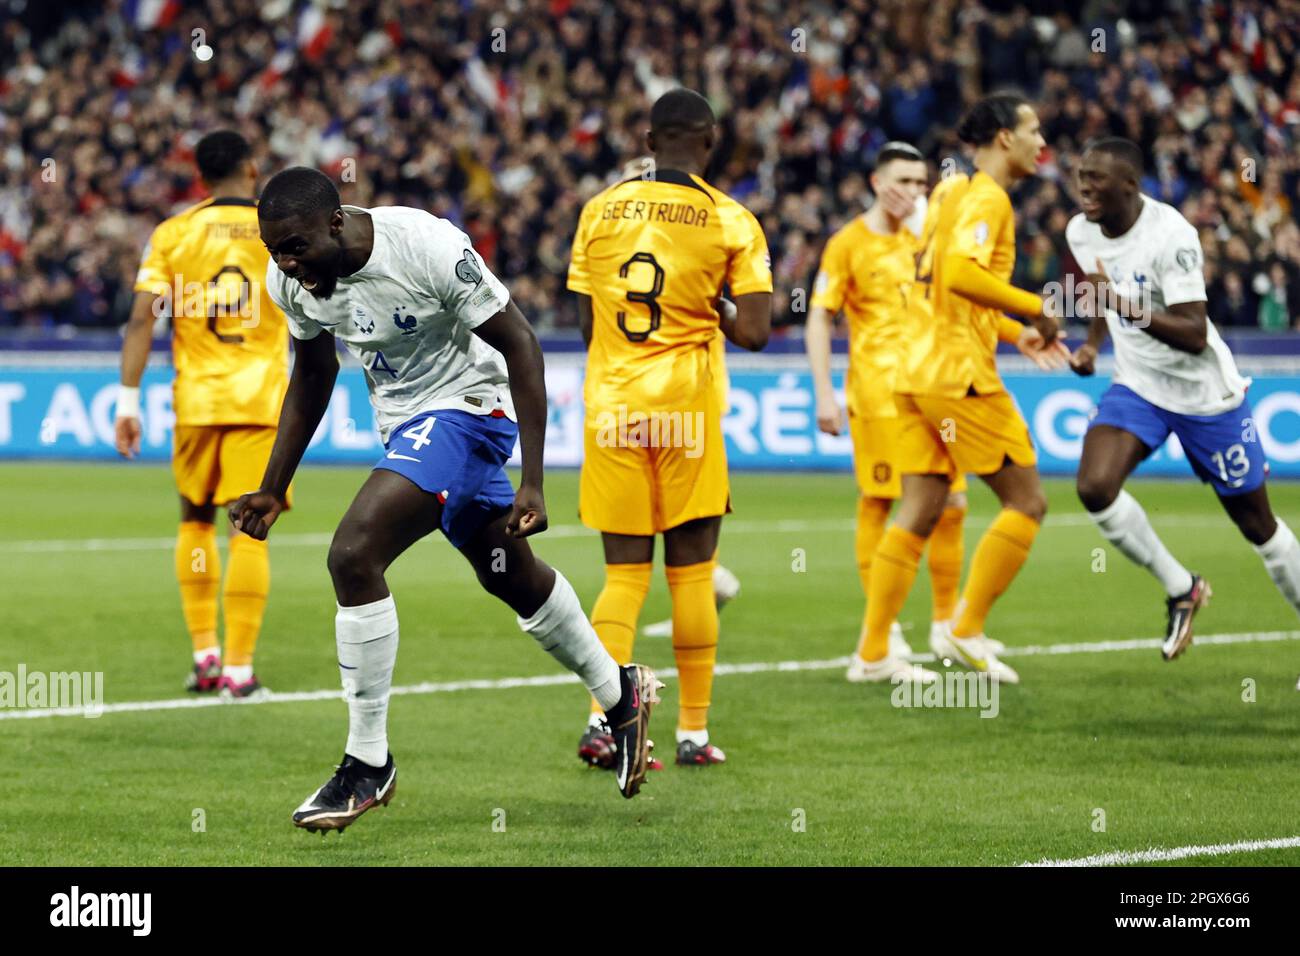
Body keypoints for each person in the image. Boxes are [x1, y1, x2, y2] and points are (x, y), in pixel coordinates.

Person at [230, 166, 659, 832]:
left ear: (336, 222)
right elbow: (312, 373)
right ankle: (619, 693)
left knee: (353, 554)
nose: (287, 263)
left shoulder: (425, 246)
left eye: (297, 246)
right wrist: (273, 485)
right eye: (274, 250)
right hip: (409, 427)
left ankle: (367, 762)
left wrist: (536, 479)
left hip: (470, 410)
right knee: (511, 577)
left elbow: (519, 341)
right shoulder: (289, 281)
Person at [567, 88, 772, 768]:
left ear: (649, 141)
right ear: (711, 142)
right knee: (692, 576)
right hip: (686, 408)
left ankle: (602, 721)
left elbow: (581, 317)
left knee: (623, 577)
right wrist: (708, 298)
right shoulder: (731, 219)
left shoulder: (600, 210)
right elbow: (754, 332)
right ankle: (692, 734)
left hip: (613, 408)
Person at [860, 94, 1069, 685]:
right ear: (1004, 137)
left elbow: (946, 287)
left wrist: (1011, 331)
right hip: (957, 377)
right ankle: (964, 626)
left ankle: (874, 651)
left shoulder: (950, 192)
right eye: (1033, 129)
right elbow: (960, 275)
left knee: (921, 508)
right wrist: (1036, 310)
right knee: (1027, 501)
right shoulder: (988, 198)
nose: (1040, 139)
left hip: (914, 371)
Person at [1066, 137, 1300, 660]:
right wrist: (1090, 343)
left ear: (1130, 185)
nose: (1084, 188)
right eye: (1081, 177)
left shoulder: (1172, 235)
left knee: (1258, 527)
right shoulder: (1080, 232)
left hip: (1203, 395)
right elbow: (1101, 295)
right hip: (1139, 385)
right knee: (1095, 486)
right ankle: (1182, 588)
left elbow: (1194, 332)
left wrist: (1123, 305)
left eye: (1096, 179)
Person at [116, 130, 286, 700]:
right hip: (260, 402)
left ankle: (205, 656)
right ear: (252, 165)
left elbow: (143, 318)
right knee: (250, 531)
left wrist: (128, 400)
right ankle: (239, 670)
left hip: (195, 403)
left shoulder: (174, 232)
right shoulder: (278, 226)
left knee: (195, 523)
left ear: (202, 176)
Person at [806, 141, 970, 683]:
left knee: (953, 503)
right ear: (877, 182)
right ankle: (884, 638)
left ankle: (948, 626)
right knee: (881, 505)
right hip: (877, 397)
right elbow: (820, 317)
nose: (915, 192)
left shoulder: (926, 237)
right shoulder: (847, 244)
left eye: (923, 183)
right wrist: (824, 393)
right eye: (904, 180)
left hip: (933, 393)